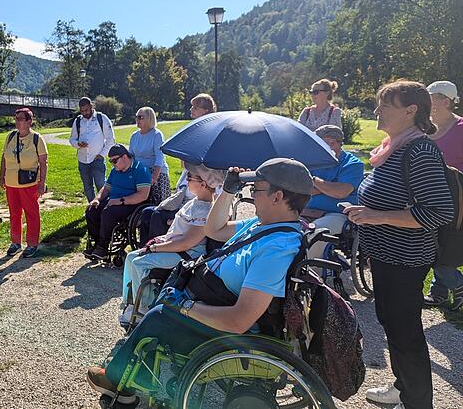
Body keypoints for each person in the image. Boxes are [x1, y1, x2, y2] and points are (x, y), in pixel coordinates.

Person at [86, 158, 312, 405]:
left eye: (256, 190)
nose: (252, 196)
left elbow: (239, 320)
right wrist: (227, 191)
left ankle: (119, 380)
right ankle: (134, 375)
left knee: (158, 316)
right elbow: (214, 230)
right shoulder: (262, 226)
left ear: (277, 197)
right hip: (210, 296)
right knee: (162, 305)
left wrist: (186, 307)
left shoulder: (276, 248)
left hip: (230, 328)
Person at [343, 81, 453, 409]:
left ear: (410, 110)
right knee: (392, 323)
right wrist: (364, 214)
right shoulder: (394, 147)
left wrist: (376, 217)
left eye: (384, 105)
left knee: (405, 333)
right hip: (386, 256)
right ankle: (402, 387)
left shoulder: (418, 150)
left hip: (405, 260)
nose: (377, 111)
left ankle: (418, 402)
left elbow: (439, 211)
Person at [118, 162, 224, 325]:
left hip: (188, 255)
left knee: (139, 262)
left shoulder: (206, 210)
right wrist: (162, 240)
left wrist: (155, 248)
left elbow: (186, 242)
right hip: (177, 248)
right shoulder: (193, 203)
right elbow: (177, 233)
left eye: (190, 177)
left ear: (203, 183)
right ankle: (131, 302)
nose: (186, 180)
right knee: (131, 257)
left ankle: (143, 307)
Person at [137, 94, 218, 245]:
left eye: (195, 107)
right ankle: (144, 250)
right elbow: (184, 165)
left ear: (206, 111)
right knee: (147, 213)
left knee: (157, 215)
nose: (191, 110)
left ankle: (157, 255)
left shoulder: (209, 135)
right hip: (187, 194)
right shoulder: (195, 130)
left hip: (199, 202)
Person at [424, 80, 463, 310]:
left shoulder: (460, 129)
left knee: (442, 246)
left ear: (445, 101)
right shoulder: (424, 128)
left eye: (430, 97)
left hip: (455, 197)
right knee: (431, 243)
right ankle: (439, 291)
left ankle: (456, 282)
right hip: (426, 194)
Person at [303, 124, 364, 259]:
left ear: (341, 144)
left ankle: (311, 269)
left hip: (338, 213)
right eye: (324, 144)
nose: (330, 148)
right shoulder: (310, 162)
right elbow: (301, 189)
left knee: (314, 233)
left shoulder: (352, 164)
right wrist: (328, 188)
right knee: (278, 227)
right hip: (306, 210)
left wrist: (314, 180)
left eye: (334, 143)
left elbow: (340, 193)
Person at [85, 144, 151, 261]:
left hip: (131, 203)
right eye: (111, 161)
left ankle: (103, 247)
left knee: (108, 213)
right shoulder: (115, 171)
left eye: (115, 161)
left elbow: (142, 195)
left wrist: (120, 201)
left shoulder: (140, 170)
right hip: (114, 200)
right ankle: (97, 243)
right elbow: (106, 189)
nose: (113, 164)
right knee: (91, 211)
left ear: (124, 157)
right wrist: (96, 199)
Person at [0, 107, 48, 258]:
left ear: (29, 121)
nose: (17, 122)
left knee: (31, 214)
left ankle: (32, 243)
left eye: (20, 119)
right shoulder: (10, 137)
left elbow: (43, 162)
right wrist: (2, 177)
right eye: (16, 119)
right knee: (14, 214)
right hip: (11, 183)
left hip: (28, 184)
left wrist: (41, 183)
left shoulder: (37, 139)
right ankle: (15, 242)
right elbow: (4, 158)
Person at [69, 96, 115, 202]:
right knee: (87, 187)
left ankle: (104, 207)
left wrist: (101, 155)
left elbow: (110, 140)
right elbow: (72, 139)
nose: (85, 113)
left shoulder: (101, 118)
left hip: (97, 158)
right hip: (82, 159)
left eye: (86, 110)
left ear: (91, 106)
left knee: (101, 185)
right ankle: (92, 208)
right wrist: (78, 144)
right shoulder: (78, 121)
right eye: (82, 111)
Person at [129, 106, 170, 204]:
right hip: (139, 171)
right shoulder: (134, 136)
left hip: (155, 171)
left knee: (156, 202)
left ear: (149, 119)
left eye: (141, 117)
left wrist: (154, 177)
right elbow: (131, 156)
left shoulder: (157, 135)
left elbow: (159, 158)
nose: (137, 120)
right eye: (136, 117)